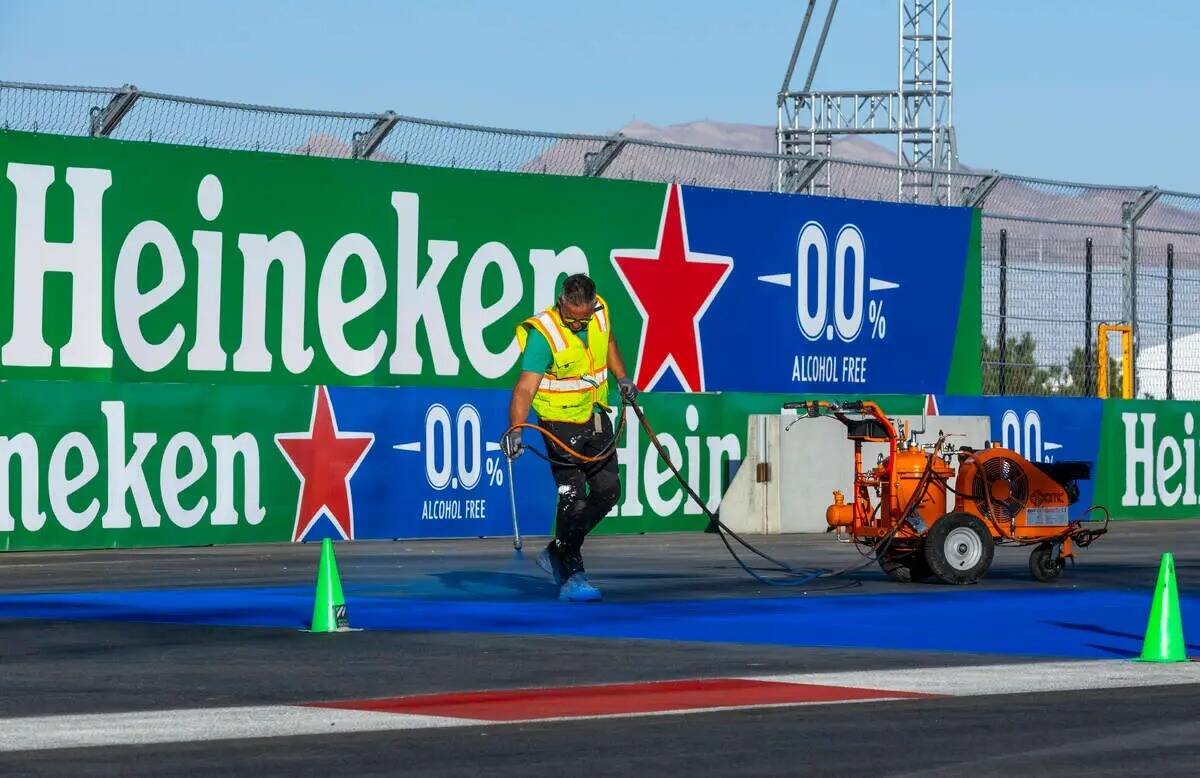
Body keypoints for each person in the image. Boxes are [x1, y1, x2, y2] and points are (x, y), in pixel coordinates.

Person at [503, 273, 637, 602]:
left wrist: (622, 377)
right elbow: (524, 387)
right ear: (562, 302)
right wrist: (516, 429)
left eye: (583, 319)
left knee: (609, 492)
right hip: (558, 423)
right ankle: (572, 575)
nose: (577, 325)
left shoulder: (599, 312)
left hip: (593, 415)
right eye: (571, 319)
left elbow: (608, 342)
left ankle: (557, 550)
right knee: (572, 497)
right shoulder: (544, 334)